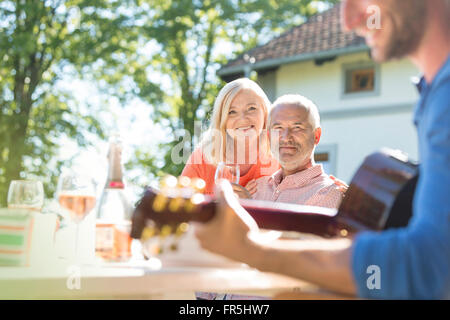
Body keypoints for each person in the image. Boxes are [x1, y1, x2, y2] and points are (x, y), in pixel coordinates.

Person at [195, 0, 450, 299]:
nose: (348, 21)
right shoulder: (433, 95)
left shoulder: (444, 99)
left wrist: (253, 249)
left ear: (316, 137)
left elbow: (429, 268)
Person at [234, 94, 345, 209]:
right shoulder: (256, 188)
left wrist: (248, 210)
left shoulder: (328, 193)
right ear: (268, 136)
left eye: (297, 128)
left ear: (316, 136)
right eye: (278, 128)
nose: (286, 137)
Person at [181, 78, 279, 195]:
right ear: (222, 119)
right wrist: (227, 204)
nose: (243, 118)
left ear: (265, 112)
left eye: (251, 108)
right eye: (232, 112)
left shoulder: (280, 156)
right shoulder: (202, 158)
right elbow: (181, 208)